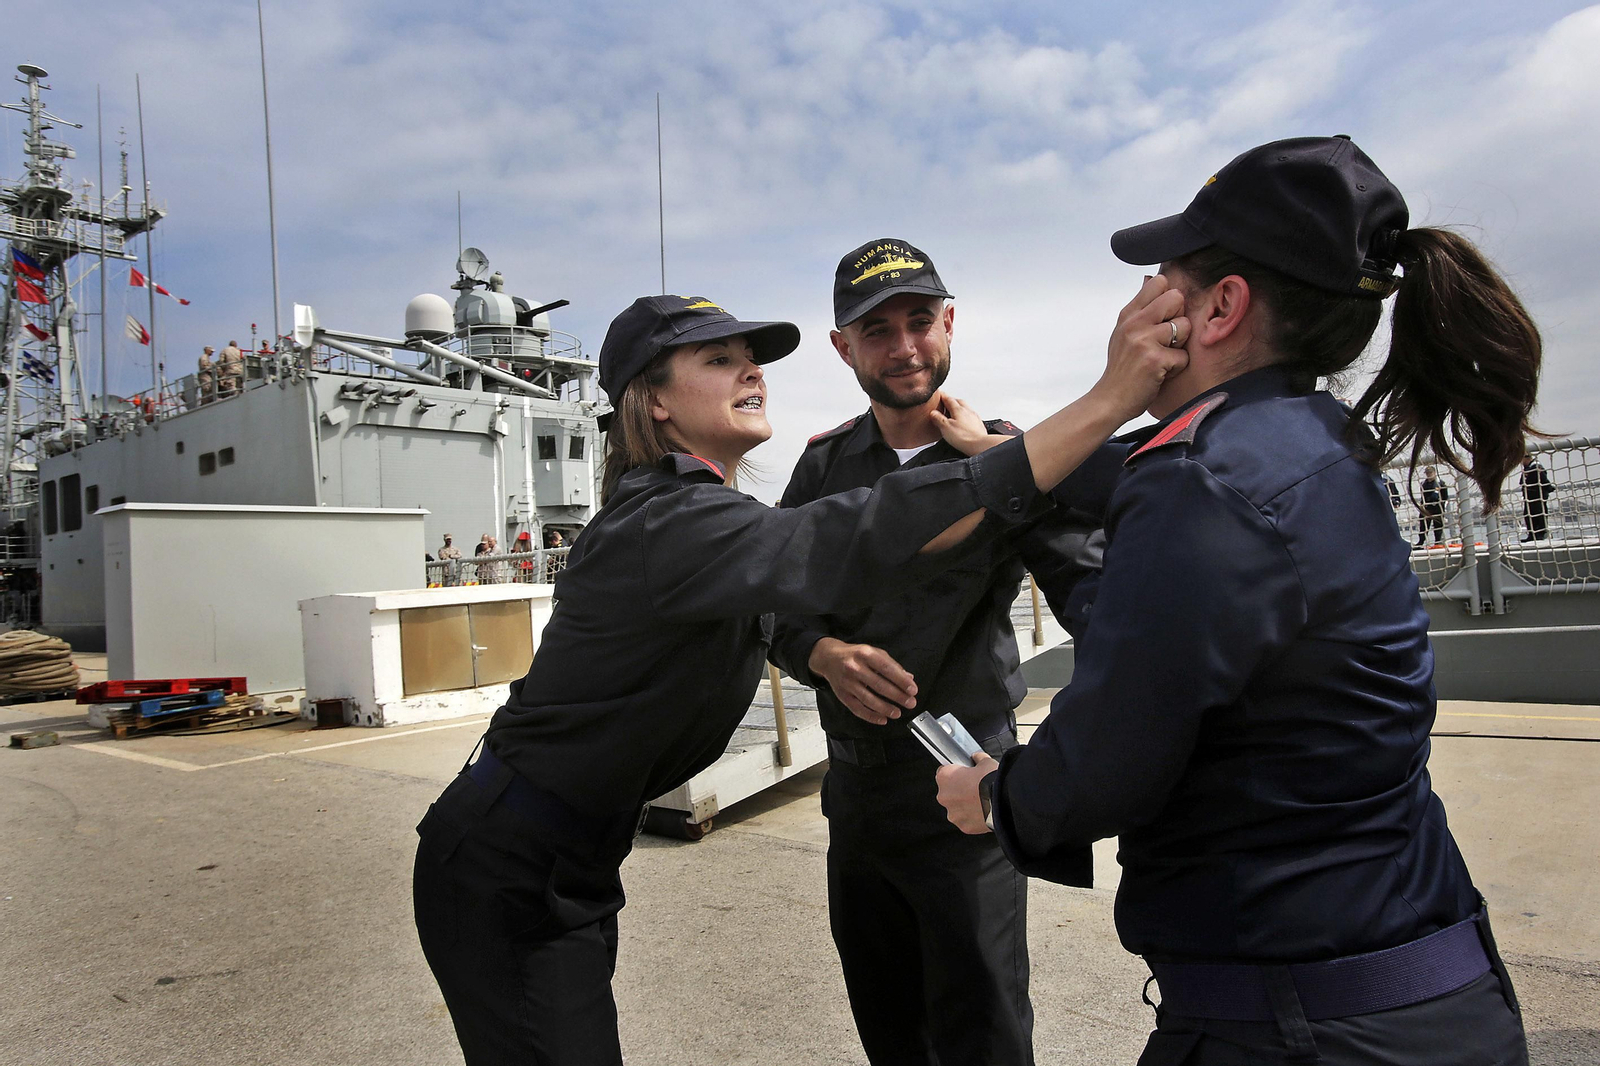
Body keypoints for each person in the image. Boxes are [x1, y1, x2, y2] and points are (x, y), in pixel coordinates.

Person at [412, 291, 1186, 1065]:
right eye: (718, 359)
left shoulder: (699, 509)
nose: (751, 369)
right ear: (653, 400)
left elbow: (813, 577)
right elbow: (843, 535)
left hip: (566, 852)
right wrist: (1109, 400)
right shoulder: (669, 521)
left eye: (750, 357)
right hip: (514, 856)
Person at [936, 135, 1538, 1066]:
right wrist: (1007, 448)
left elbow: (1100, 764)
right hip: (1417, 994)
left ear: (1218, 308)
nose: (1137, 301)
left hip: (1300, 1027)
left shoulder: (1204, 484)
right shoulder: (1305, 440)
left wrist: (994, 794)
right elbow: (1140, 474)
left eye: (1160, 280)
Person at [770, 237, 1107, 1065]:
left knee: (984, 1034)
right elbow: (765, 604)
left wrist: (997, 464)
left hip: (969, 796)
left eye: (920, 321)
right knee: (891, 1032)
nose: (905, 346)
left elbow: (1099, 595)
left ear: (949, 324)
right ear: (844, 348)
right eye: (877, 330)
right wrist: (820, 654)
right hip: (856, 797)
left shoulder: (1007, 455)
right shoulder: (822, 467)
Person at [1520, 454, 1552, 541]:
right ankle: (1532, 534)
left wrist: (1549, 488)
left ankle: (1540, 534)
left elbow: (1543, 480)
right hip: (1530, 496)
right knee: (1528, 515)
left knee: (1539, 514)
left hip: (1537, 496)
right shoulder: (1528, 468)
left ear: (1527, 458)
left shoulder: (1536, 467)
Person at [1417, 464, 1448, 547]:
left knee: (1437, 526)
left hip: (1437, 507)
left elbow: (1445, 496)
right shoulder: (1423, 483)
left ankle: (1437, 542)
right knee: (1423, 526)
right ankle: (1421, 542)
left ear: (1434, 472)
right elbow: (1422, 495)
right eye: (1427, 473)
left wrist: (1441, 504)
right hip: (1427, 507)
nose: (1429, 474)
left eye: (1430, 472)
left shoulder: (1440, 483)